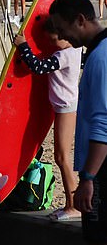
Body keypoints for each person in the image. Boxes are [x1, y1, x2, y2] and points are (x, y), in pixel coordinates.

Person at [47, 0, 107, 245]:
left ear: (80, 20)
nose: (62, 36)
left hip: (100, 170)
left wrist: (88, 178)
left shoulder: (98, 58)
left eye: (62, 27)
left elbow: (101, 123)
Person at [14, 21, 82, 220]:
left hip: (66, 108)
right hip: (62, 107)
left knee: (62, 157)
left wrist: (23, 46)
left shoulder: (64, 55)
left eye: (53, 40)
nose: (52, 44)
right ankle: (72, 203)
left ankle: (73, 205)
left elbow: (37, 67)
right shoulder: (75, 50)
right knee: (61, 156)